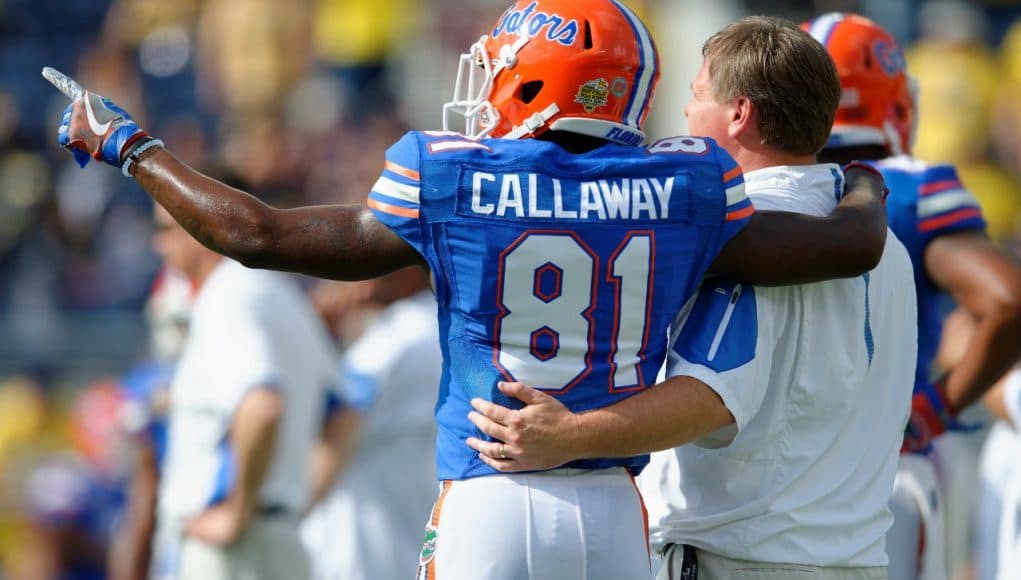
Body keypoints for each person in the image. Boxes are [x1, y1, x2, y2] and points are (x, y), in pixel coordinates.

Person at [48, 1, 891, 577]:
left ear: (543, 77)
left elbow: (258, 236)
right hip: (610, 511)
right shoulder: (687, 187)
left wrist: (129, 145)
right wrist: (863, 180)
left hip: (487, 502)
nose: (487, 84)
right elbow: (848, 246)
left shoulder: (452, 178)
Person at [464, 16, 918, 580]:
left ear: (738, 113)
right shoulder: (888, 245)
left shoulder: (747, 229)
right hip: (858, 559)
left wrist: (569, 436)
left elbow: (711, 395)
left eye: (697, 94)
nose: (684, 112)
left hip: (744, 559)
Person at [806, 12, 1021, 580]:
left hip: (770, 477)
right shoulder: (912, 186)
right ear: (895, 103)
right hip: (885, 470)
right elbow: (1008, 300)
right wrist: (935, 407)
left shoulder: (749, 183)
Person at [146, 204, 339, 580]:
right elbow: (344, 413)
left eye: (167, 228)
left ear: (202, 224)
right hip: (277, 535)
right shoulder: (278, 291)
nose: (158, 244)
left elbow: (262, 405)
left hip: (230, 549)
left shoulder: (227, 295)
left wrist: (239, 511)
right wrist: (295, 502)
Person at [301, 267, 442, 580]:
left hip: (361, 549)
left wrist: (313, 331)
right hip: (409, 535)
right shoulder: (441, 327)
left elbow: (334, 423)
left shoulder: (397, 337)